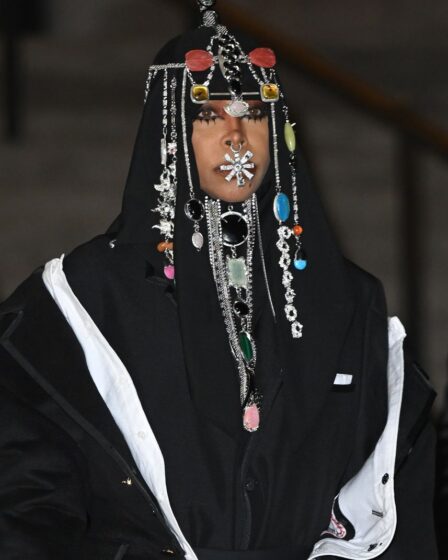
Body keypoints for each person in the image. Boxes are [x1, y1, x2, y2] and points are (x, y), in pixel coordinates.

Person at [0, 1, 438, 559]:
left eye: (253, 114)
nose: (236, 137)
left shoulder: (349, 299)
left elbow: (393, 494)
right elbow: (27, 497)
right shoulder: (81, 300)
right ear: (169, 128)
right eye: (209, 116)